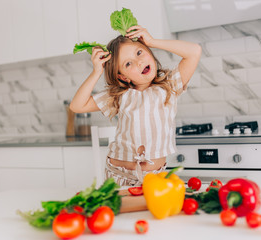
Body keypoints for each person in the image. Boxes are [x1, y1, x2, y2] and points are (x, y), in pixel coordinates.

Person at [70, 25, 201, 186]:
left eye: (139, 52)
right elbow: (77, 106)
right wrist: (97, 71)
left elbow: (194, 51)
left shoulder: (170, 86)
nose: (139, 62)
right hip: (117, 175)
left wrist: (153, 41)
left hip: (154, 177)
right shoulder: (120, 95)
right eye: (128, 64)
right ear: (123, 77)